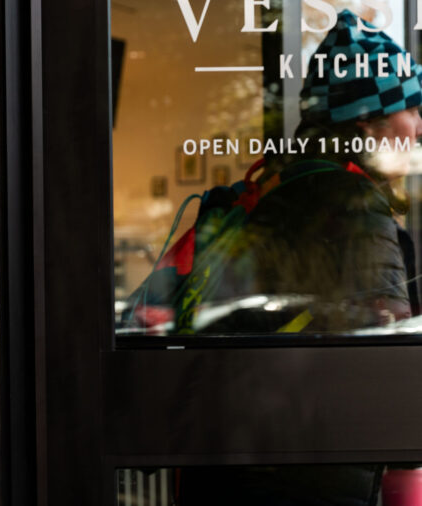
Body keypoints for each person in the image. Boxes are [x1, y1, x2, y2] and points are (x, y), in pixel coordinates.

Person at [178, 9, 422, 505]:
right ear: (367, 121)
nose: (418, 127)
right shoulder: (352, 204)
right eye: (412, 108)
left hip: (229, 469)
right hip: (308, 479)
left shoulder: (278, 186)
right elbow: (388, 366)